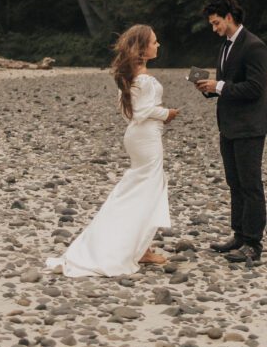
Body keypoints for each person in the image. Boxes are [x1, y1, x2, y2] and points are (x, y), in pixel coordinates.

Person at [46, 25, 180, 277]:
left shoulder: (129, 77)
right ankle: (138, 248)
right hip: (146, 137)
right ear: (142, 48)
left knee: (140, 188)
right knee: (146, 191)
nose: (158, 45)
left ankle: (142, 246)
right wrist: (167, 113)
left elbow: (128, 111)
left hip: (136, 136)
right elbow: (142, 112)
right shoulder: (145, 79)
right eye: (154, 41)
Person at [195, 0, 267, 264]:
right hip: (228, 125)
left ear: (229, 17)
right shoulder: (225, 46)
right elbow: (228, 85)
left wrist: (220, 86)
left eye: (216, 23)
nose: (214, 29)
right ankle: (239, 235)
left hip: (250, 125)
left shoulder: (254, 46)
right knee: (234, 182)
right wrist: (210, 88)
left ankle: (253, 243)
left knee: (250, 184)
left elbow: (254, 88)